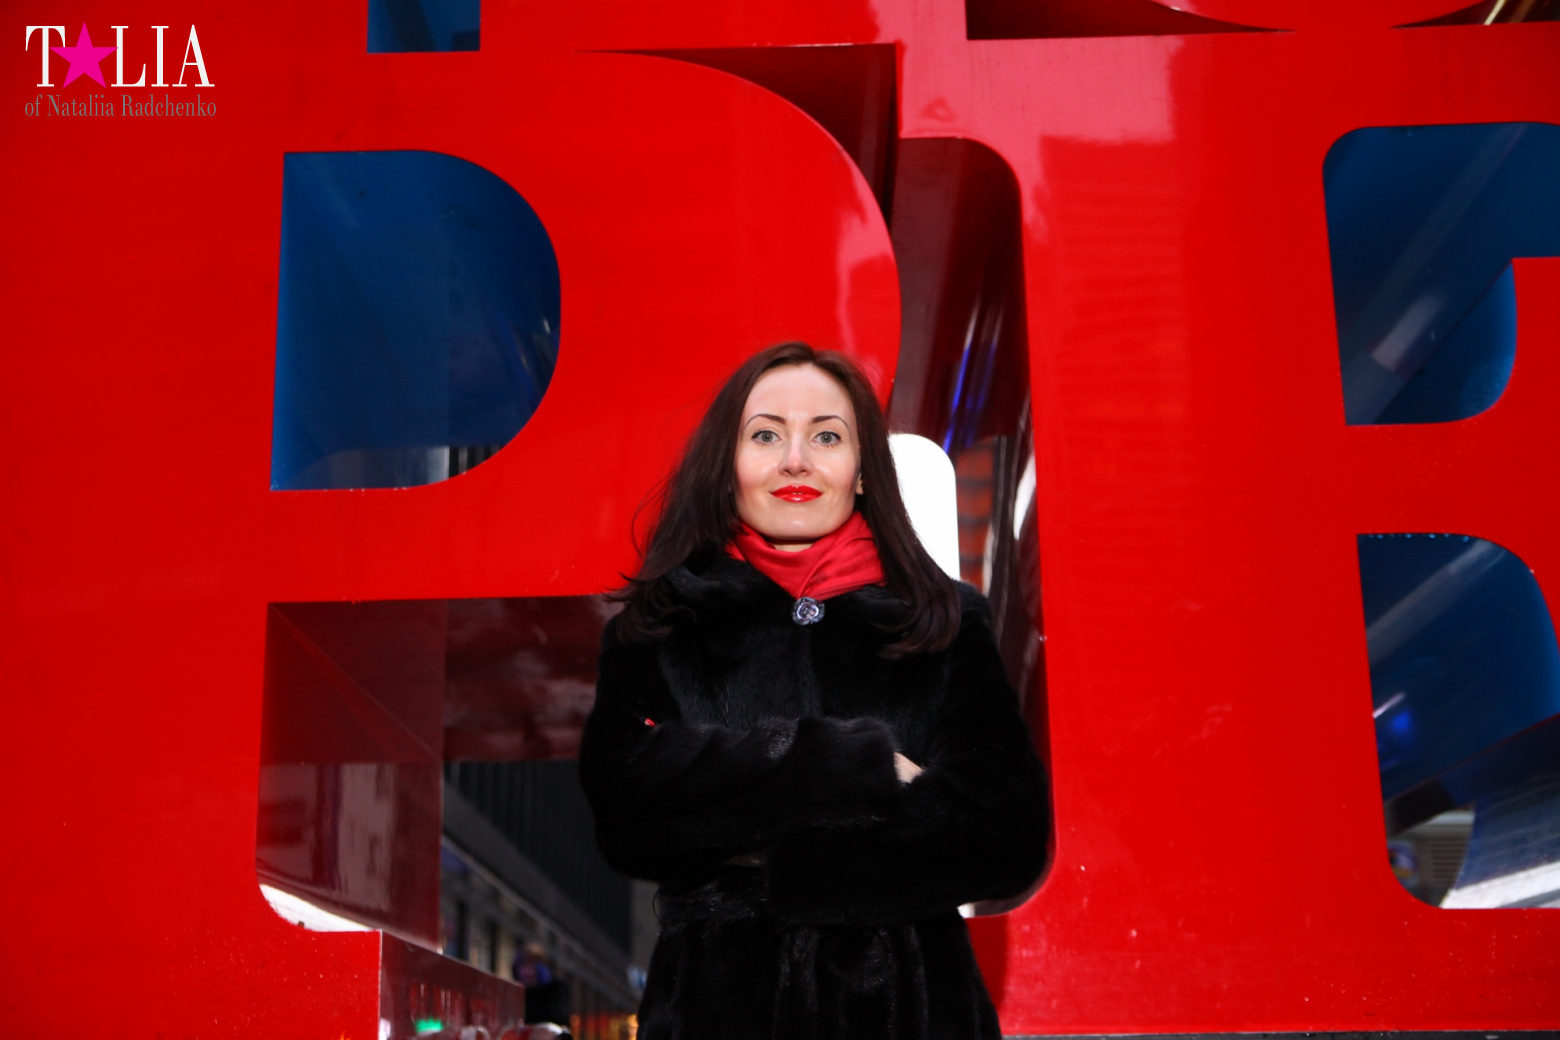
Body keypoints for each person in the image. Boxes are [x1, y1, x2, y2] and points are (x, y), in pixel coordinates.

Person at [579, 342, 1050, 1040]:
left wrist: (766, 844)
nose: (795, 460)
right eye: (766, 434)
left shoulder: (944, 621)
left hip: (913, 1013)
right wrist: (861, 769)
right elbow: (628, 813)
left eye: (826, 436)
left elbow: (1006, 832)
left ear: (861, 470)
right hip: (717, 1015)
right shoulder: (662, 625)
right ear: (727, 467)